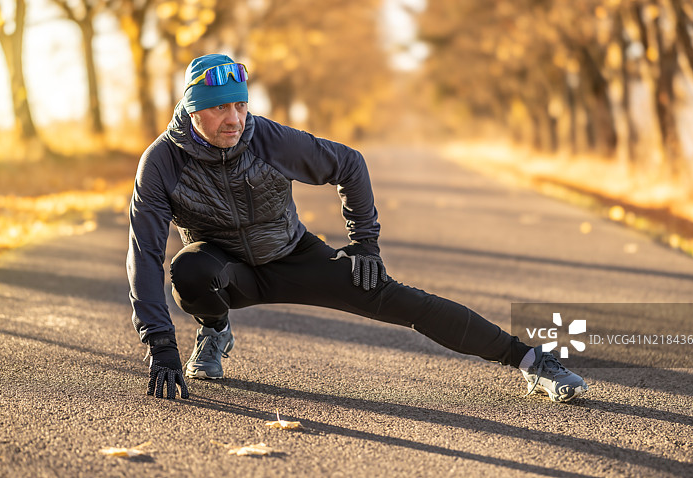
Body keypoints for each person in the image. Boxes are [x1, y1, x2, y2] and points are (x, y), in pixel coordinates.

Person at [126, 53, 589, 403]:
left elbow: (349, 164)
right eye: (220, 109)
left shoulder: (265, 139)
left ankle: (531, 360)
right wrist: (160, 342)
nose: (234, 119)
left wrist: (365, 243)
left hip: (292, 255)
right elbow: (144, 252)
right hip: (223, 266)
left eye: (240, 105)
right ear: (191, 112)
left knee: (404, 301)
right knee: (186, 269)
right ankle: (214, 327)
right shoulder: (163, 162)